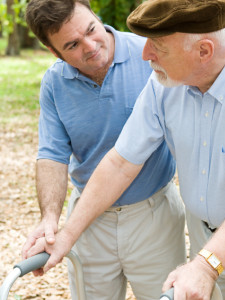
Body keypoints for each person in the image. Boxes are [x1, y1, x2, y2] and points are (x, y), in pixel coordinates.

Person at [24, 1, 225, 300]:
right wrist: (65, 235)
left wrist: (206, 267)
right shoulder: (163, 83)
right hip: (204, 236)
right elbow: (120, 162)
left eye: (157, 46)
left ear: (204, 52)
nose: (145, 54)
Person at [22, 1, 187, 299]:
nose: (90, 46)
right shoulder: (54, 83)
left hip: (153, 215)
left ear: (96, 16)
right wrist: (49, 219)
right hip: (88, 221)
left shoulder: (150, 54)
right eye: (72, 45)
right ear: (53, 52)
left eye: (91, 29)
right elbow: (52, 155)